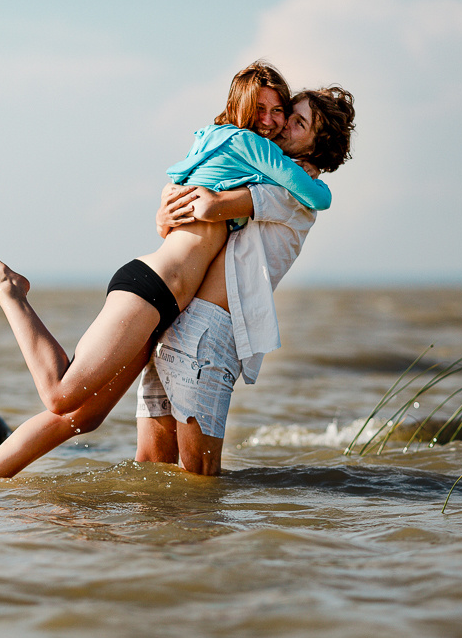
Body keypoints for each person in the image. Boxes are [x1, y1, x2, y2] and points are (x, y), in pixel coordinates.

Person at [0, 62, 328, 480]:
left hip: (167, 306)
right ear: (237, 107)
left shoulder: (220, 143)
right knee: (61, 396)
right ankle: (11, 292)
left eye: (280, 111)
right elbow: (314, 193)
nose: (270, 119)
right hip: (153, 286)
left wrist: (166, 207)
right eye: (261, 108)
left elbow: (177, 183)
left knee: (82, 419)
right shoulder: (254, 148)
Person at [136, 86, 357, 475]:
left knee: (198, 480)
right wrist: (163, 212)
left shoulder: (292, 192)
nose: (282, 126)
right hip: (177, 319)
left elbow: (210, 204)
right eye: (289, 115)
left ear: (316, 148)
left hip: (207, 332)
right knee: (152, 470)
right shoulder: (270, 172)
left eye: (298, 123)